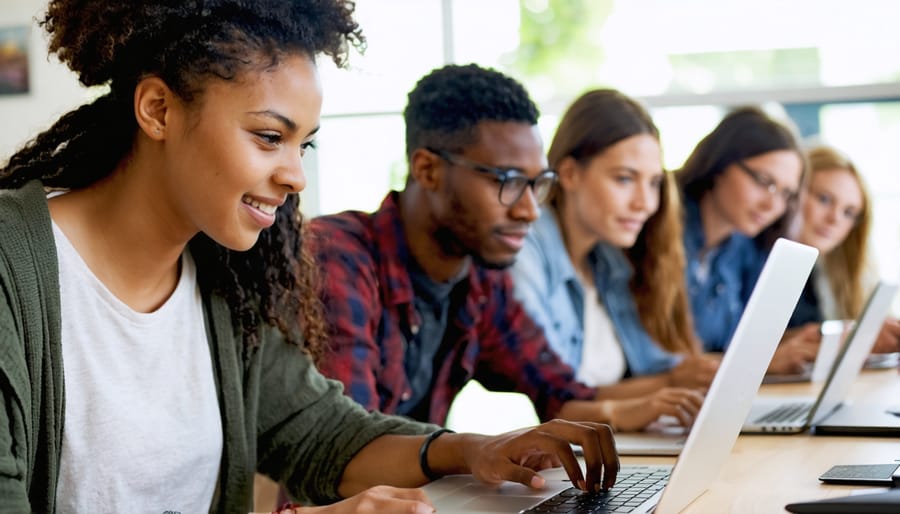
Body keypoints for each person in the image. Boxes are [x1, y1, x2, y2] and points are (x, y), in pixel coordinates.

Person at [0, 2, 618, 512]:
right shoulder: (13, 266)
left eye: (304, 145)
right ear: (158, 110)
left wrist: (472, 450)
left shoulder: (221, 276)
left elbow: (319, 432)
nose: (295, 175)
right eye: (270, 137)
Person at [310, 63, 698, 434]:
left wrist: (629, 410)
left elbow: (558, 393)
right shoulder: (339, 256)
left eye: (536, 183)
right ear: (428, 170)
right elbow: (350, 442)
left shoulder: (480, 279)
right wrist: (481, 450)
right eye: (508, 180)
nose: (529, 210)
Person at [509, 89, 716, 431]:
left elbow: (659, 366)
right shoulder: (525, 248)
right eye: (624, 179)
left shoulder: (605, 259)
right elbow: (556, 398)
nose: (645, 203)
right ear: (570, 174)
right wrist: (666, 386)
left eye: (654, 183)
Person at [675, 106, 814, 373]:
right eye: (764, 181)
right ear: (721, 164)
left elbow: (735, 345)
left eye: (786, 194)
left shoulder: (741, 249)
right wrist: (759, 363)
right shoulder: (662, 237)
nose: (772, 205)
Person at [789, 144, 900, 354]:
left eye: (848, 213)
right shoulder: (750, 262)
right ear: (792, 189)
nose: (834, 219)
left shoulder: (834, 277)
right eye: (824, 199)